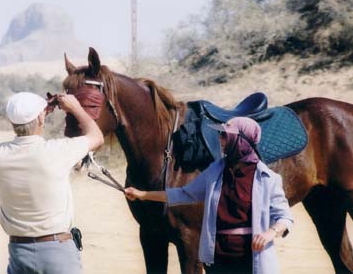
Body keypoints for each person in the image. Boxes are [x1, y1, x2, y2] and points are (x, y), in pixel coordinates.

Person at [125, 117, 293, 274]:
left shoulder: (268, 179)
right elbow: (184, 194)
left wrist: (271, 232)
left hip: (252, 259)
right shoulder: (215, 171)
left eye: (225, 135)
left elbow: (285, 217)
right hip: (218, 259)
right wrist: (142, 194)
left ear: (240, 141)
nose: (220, 140)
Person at [0, 92, 104, 274]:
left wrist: (40, 115)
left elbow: (25, 127)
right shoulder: (57, 151)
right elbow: (97, 137)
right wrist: (76, 108)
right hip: (57, 252)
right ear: (40, 118)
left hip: (18, 253)